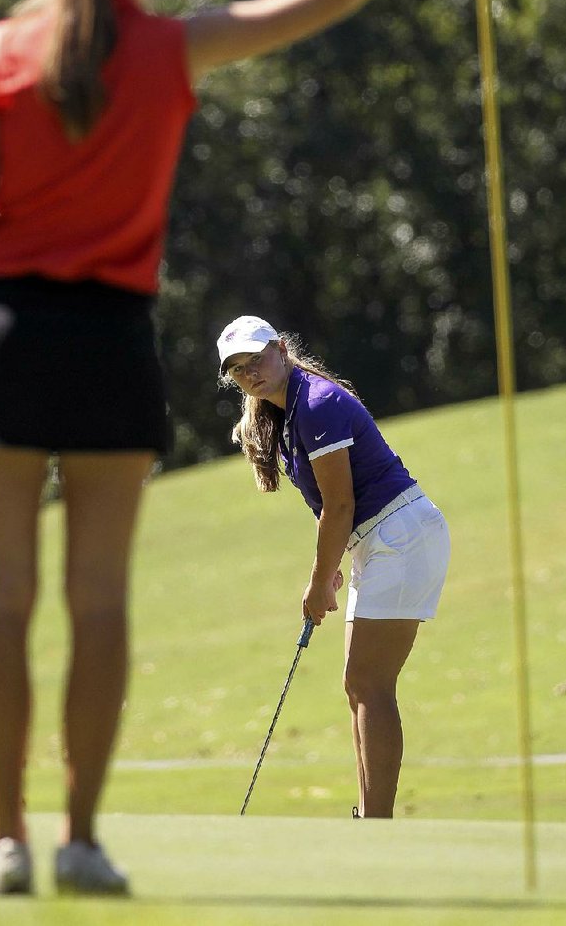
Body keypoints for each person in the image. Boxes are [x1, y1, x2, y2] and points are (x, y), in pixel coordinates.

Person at [0, 0, 491, 896]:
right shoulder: (174, 48)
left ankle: (5, 841)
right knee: (96, 598)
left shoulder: (0, 48)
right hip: (105, 343)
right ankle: (78, 839)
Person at [217, 315, 451, 819]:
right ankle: (370, 816)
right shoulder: (292, 410)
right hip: (381, 539)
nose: (250, 372)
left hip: (401, 535)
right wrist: (336, 561)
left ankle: (379, 824)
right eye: (238, 369)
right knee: (358, 684)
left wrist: (319, 580)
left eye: (256, 358)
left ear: (281, 349)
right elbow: (339, 510)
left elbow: (339, 505)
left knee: (370, 685)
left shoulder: (317, 404)